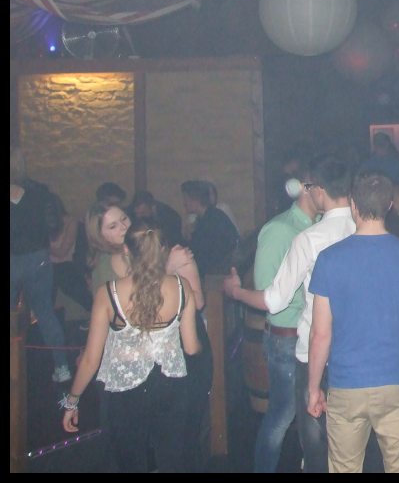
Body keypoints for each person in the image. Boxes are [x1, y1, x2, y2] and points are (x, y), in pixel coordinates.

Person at [223, 154, 354, 474]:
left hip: (320, 340)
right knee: (283, 418)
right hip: (290, 338)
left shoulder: (319, 229)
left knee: (316, 421)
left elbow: (278, 297)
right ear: (308, 189)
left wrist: (236, 292)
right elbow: (273, 296)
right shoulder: (280, 230)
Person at [307, 172, 399, 473]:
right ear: (389, 205)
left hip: (345, 385)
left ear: (353, 205)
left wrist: (313, 388)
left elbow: (320, 334)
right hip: (395, 384)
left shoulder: (329, 259)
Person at [61, 224, 201, 473]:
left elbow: (91, 359)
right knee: (171, 461)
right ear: (162, 250)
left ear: (126, 250)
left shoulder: (109, 293)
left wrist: (72, 401)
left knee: (130, 461)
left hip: (127, 391)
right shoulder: (182, 286)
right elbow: (191, 348)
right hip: (171, 386)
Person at [10, 145, 71, 383]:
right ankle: (62, 368)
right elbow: (55, 226)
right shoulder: (39, 192)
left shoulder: (39, 192)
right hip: (38, 258)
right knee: (45, 313)